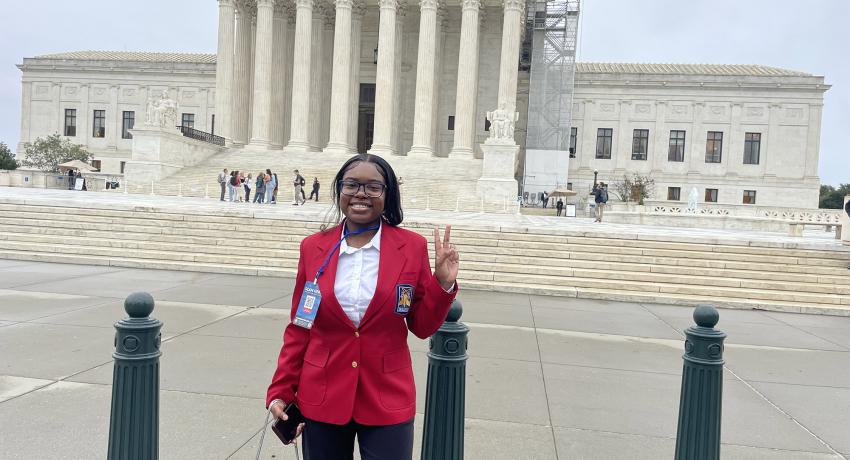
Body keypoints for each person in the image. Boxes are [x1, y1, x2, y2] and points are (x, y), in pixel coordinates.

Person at [265, 153, 460, 460]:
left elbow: (421, 327)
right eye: (352, 184)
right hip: (323, 392)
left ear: (388, 194)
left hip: (387, 395)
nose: (360, 194)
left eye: (373, 187)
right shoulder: (314, 248)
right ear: (339, 190)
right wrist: (280, 389)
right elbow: (300, 326)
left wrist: (442, 284)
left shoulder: (410, 248)